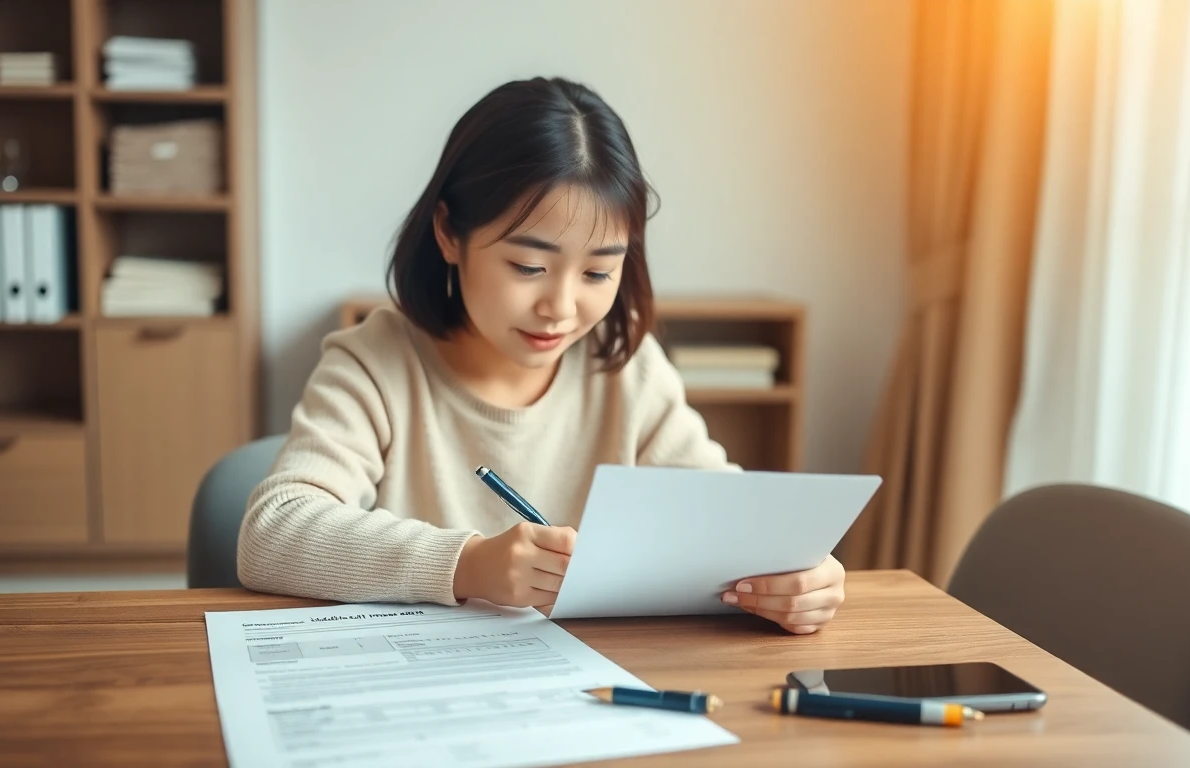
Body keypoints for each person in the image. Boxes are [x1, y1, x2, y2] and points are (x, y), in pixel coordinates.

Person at [239, 76, 844, 634]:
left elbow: (727, 517)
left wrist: (797, 572)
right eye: (529, 266)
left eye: (598, 271)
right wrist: (468, 565)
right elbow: (273, 532)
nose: (560, 306)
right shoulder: (378, 361)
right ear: (450, 233)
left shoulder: (625, 363)